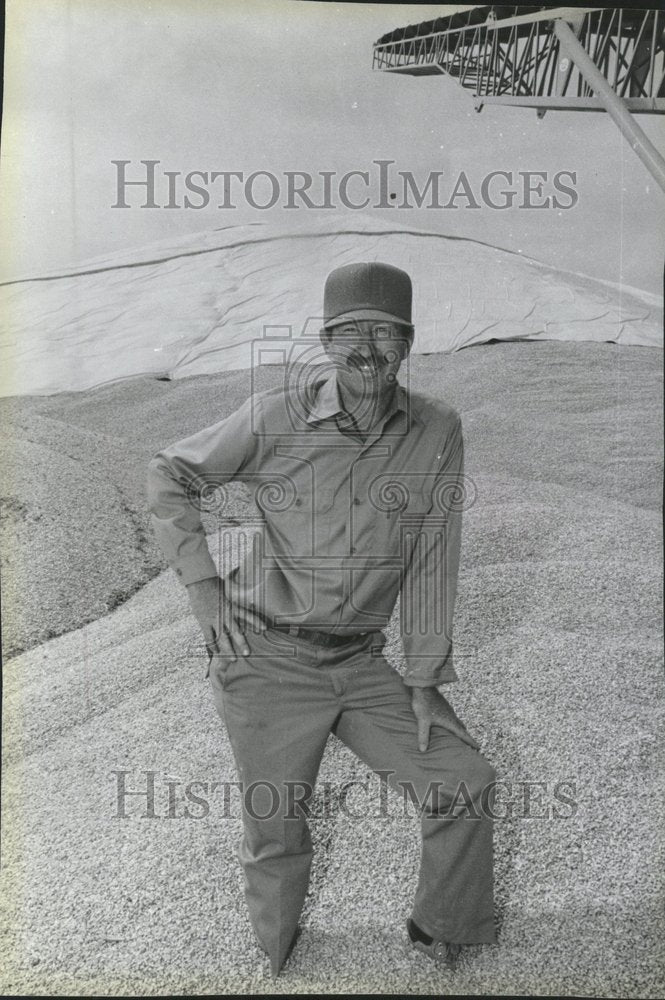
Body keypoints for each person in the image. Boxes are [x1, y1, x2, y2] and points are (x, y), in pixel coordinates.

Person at [147, 261, 497, 977]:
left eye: (384, 331)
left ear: (407, 341)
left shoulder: (436, 429)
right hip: (266, 659)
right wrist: (205, 588)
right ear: (325, 339)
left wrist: (424, 678)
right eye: (349, 332)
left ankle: (443, 928)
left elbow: (434, 553)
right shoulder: (276, 414)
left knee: (462, 779)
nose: (366, 346)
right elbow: (169, 474)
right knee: (277, 826)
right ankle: (277, 962)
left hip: (360, 662)